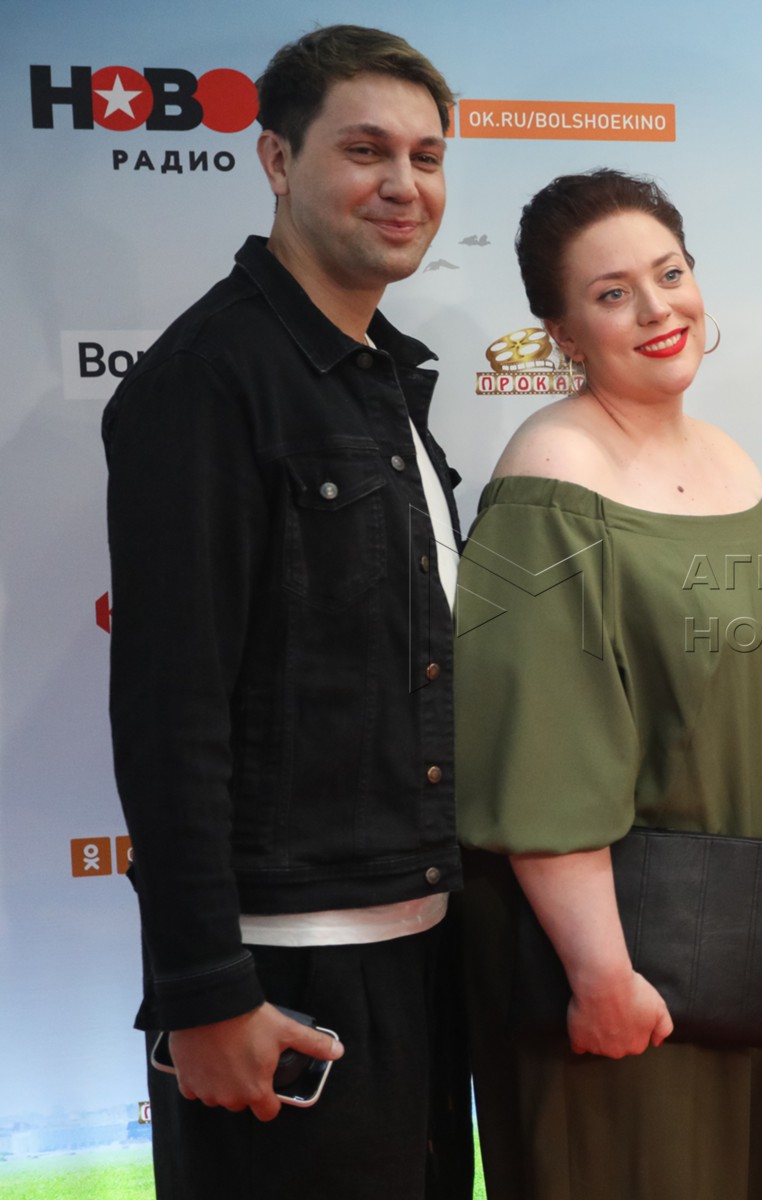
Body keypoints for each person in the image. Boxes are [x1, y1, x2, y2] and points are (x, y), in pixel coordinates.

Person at [453, 168, 762, 1200]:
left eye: (669, 274)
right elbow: (538, 759)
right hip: (624, 974)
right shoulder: (548, 480)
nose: (658, 309)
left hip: (744, 949)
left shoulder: (724, 457)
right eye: (613, 293)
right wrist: (601, 976)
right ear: (563, 333)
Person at [102, 25, 470, 1199]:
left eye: (425, 156)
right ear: (275, 158)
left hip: (421, 954)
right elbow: (171, 709)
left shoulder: (385, 379)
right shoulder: (208, 380)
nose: (403, 184)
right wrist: (205, 989)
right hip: (281, 980)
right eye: (366, 151)